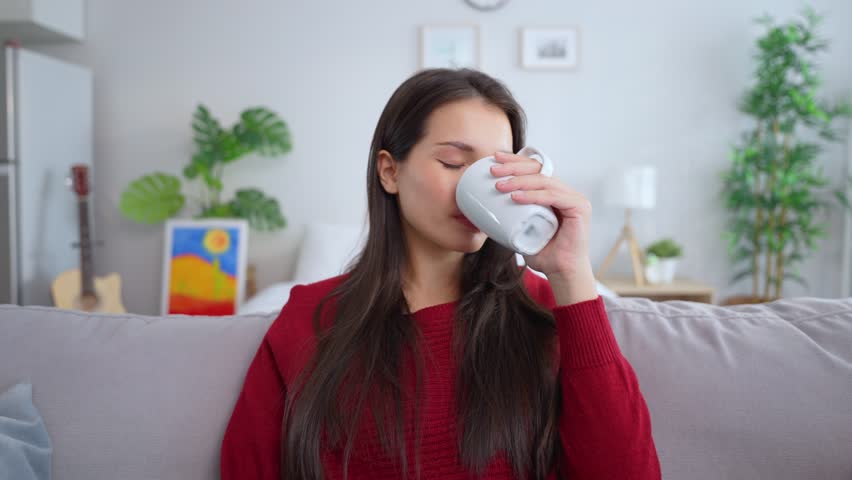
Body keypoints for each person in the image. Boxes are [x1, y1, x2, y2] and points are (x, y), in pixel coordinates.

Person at [220, 68, 661, 479]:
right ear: (390, 172)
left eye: (496, 169)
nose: (481, 188)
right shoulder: (309, 319)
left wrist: (572, 273)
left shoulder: (549, 312)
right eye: (454, 164)